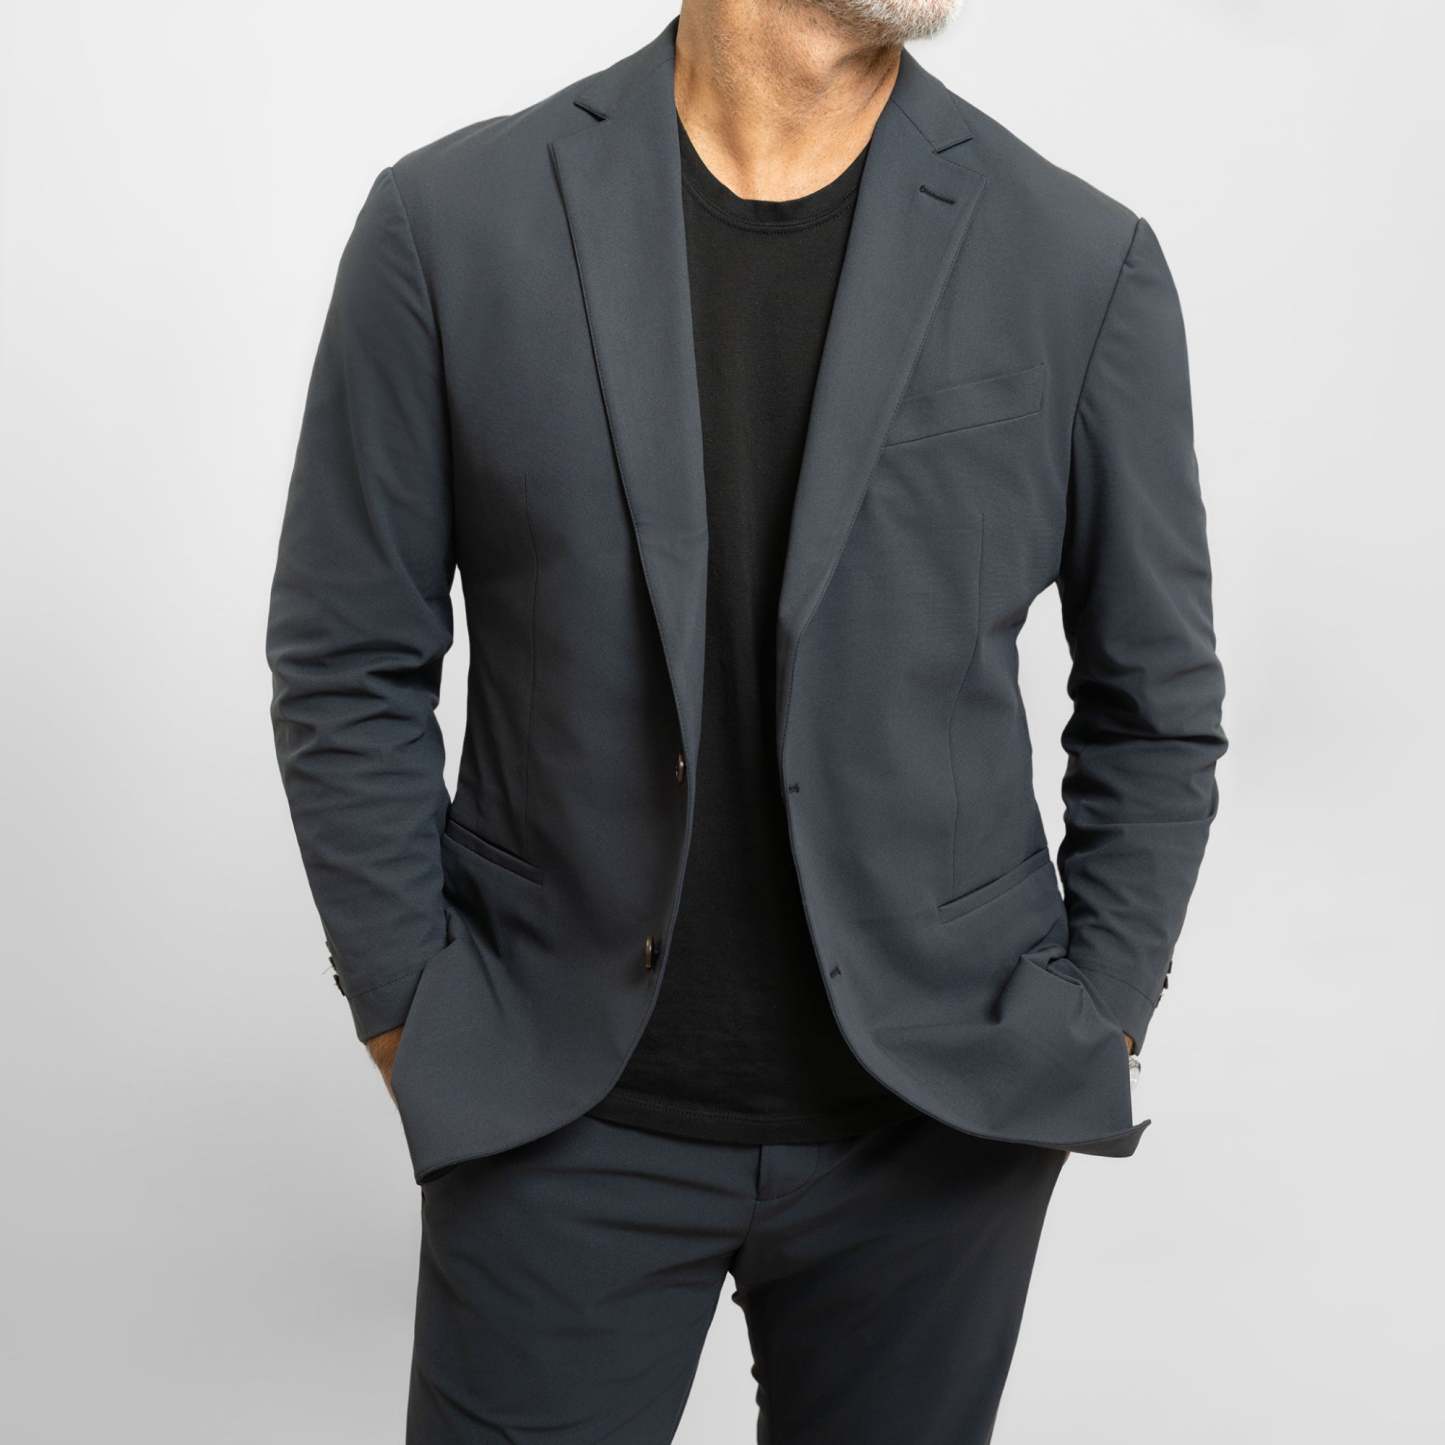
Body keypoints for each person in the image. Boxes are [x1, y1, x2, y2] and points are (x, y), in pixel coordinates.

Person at [266, 1, 1226, 1438]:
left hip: (937, 1127)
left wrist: (1099, 1011)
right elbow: (347, 651)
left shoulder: (1079, 258)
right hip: (552, 1108)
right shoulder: (449, 226)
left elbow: (1157, 702)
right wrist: (412, 1006)